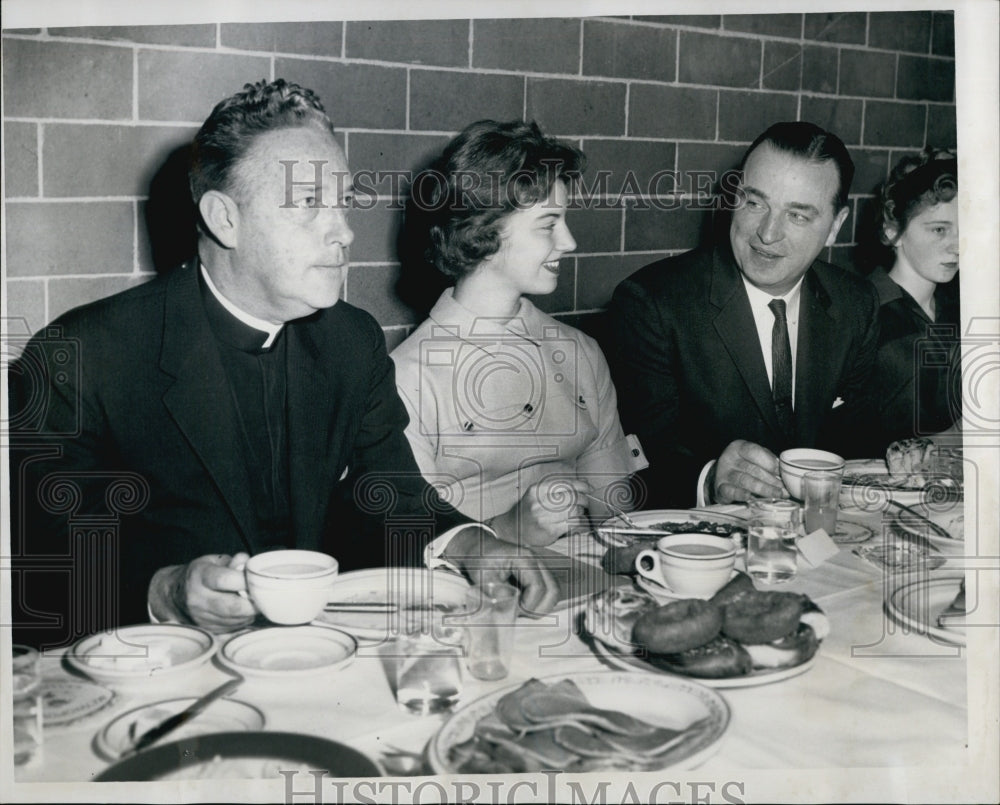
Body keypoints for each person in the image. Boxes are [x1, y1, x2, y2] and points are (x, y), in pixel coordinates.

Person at [7, 80, 558, 649]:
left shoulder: (350, 340)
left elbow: (389, 493)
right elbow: (37, 566)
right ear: (225, 220)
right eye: (309, 205)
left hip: (316, 657)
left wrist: (470, 543)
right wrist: (166, 593)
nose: (343, 231)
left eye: (342, 203)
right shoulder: (82, 354)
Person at [391, 120, 647, 547]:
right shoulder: (407, 377)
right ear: (485, 231)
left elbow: (617, 516)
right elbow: (407, 544)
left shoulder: (581, 352)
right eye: (549, 224)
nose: (569, 242)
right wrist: (509, 529)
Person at [607, 121, 880, 507]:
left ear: (835, 226)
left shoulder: (856, 304)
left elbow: (855, 446)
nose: (767, 233)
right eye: (754, 202)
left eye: (798, 216)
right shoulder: (653, 304)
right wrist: (707, 480)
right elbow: (629, 469)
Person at [867, 148, 960, 446]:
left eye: (963, 230)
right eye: (939, 230)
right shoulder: (866, 312)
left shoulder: (956, 307)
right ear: (893, 230)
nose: (957, 247)